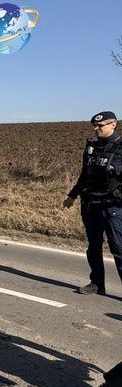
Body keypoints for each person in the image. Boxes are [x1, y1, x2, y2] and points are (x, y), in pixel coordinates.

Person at [63, 111, 122, 296]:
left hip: (112, 206)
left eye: (100, 126)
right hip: (91, 205)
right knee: (93, 247)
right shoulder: (92, 148)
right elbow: (84, 175)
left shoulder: (120, 147)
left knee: (118, 249)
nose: (96, 129)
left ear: (113, 125)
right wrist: (72, 196)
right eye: (94, 126)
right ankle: (96, 284)